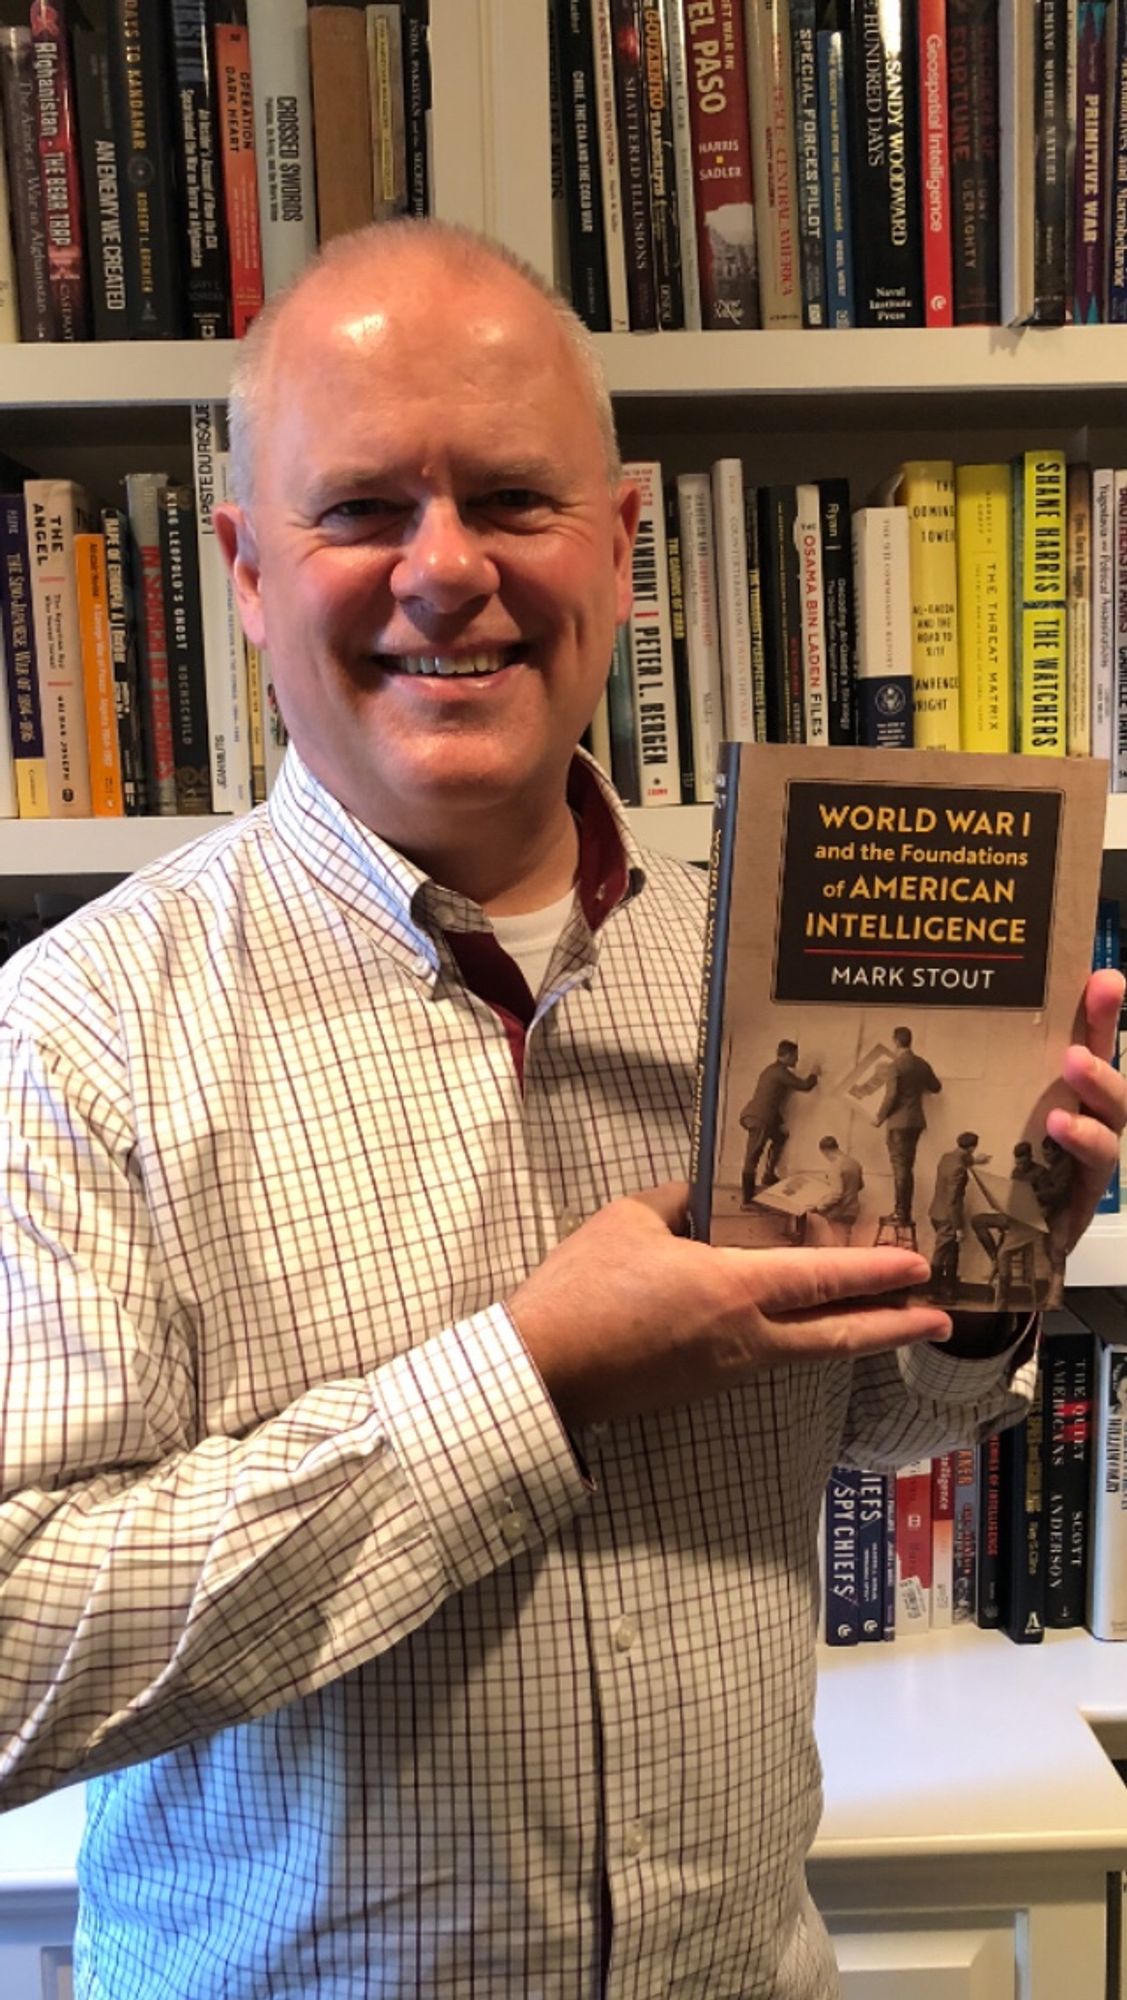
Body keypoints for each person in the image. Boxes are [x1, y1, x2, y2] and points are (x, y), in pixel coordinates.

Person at [0, 221, 1123, 2000]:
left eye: (513, 499)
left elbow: (868, 1430)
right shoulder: (71, 1038)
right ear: (238, 566)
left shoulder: (763, 972)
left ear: (619, 539)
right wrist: (528, 1381)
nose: (444, 574)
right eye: (361, 508)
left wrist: (983, 1287)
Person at [873, 1025, 942, 1225]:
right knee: (908, 1168)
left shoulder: (895, 1065)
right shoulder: (922, 1064)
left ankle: (900, 1212)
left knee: (900, 1169)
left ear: (895, 1041)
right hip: (916, 1122)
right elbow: (936, 1087)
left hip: (897, 1123)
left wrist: (879, 1117)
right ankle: (905, 1211)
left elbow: (891, 1094)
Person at [739, 1039, 820, 1200]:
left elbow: (770, 1098)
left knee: (780, 1136)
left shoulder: (772, 1070)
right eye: (795, 1056)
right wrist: (814, 1073)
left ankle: (769, 1175)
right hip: (760, 1117)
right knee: (752, 1156)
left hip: (764, 1116)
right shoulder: (779, 1072)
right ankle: (747, 1199)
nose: (797, 1060)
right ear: (788, 1055)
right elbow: (805, 1086)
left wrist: (778, 1122)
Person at [928, 1132, 990, 1299]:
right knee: (941, 1254)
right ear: (972, 1147)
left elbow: (963, 1159)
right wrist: (958, 1227)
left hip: (936, 1211)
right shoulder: (959, 1169)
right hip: (949, 1216)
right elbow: (953, 1200)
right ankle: (934, 1292)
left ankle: (949, 1290)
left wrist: (977, 1161)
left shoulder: (947, 1157)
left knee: (951, 1251)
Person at [810, 1134, 864, 1244]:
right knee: (843, 1242)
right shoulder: (855, 1163)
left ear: (825, 1151)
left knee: (840, 1246)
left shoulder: (835, 1166)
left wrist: (819, 1206)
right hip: (852, 1210)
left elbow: (836, 1194)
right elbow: (860, 1186)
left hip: (839, 1212)